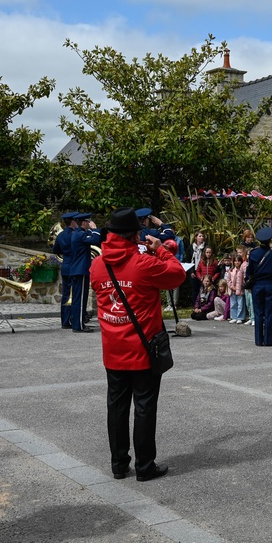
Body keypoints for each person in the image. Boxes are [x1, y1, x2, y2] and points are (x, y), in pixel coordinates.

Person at [91, 207, 186, 483]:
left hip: (113, 349)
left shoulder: (97, 265)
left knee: (116, 408)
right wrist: (161, 250)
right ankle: (145, 467)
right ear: (136, 235)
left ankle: (119, 465)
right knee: (144, 407)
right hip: (143, 350)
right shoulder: (144, 263)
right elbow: (177, 274)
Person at [69, 212, 102, 332]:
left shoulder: (78, 233)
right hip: (80, 270)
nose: (90, 224)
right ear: (84, 222)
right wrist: (94, 228)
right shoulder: (80, 235)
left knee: (78, 298)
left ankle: (78, 322)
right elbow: (96, 239)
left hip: (77, 269)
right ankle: (79, 325)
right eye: (88, 222)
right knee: (81, 299)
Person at [53, 212, 79, 330]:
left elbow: (55, 250)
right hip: (75, 266)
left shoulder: (61, 235)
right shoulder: (76, 234)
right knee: (74, 295)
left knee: (65, 295)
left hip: (66, 266)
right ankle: (73, 320)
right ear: (73, 222)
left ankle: (64, 321)